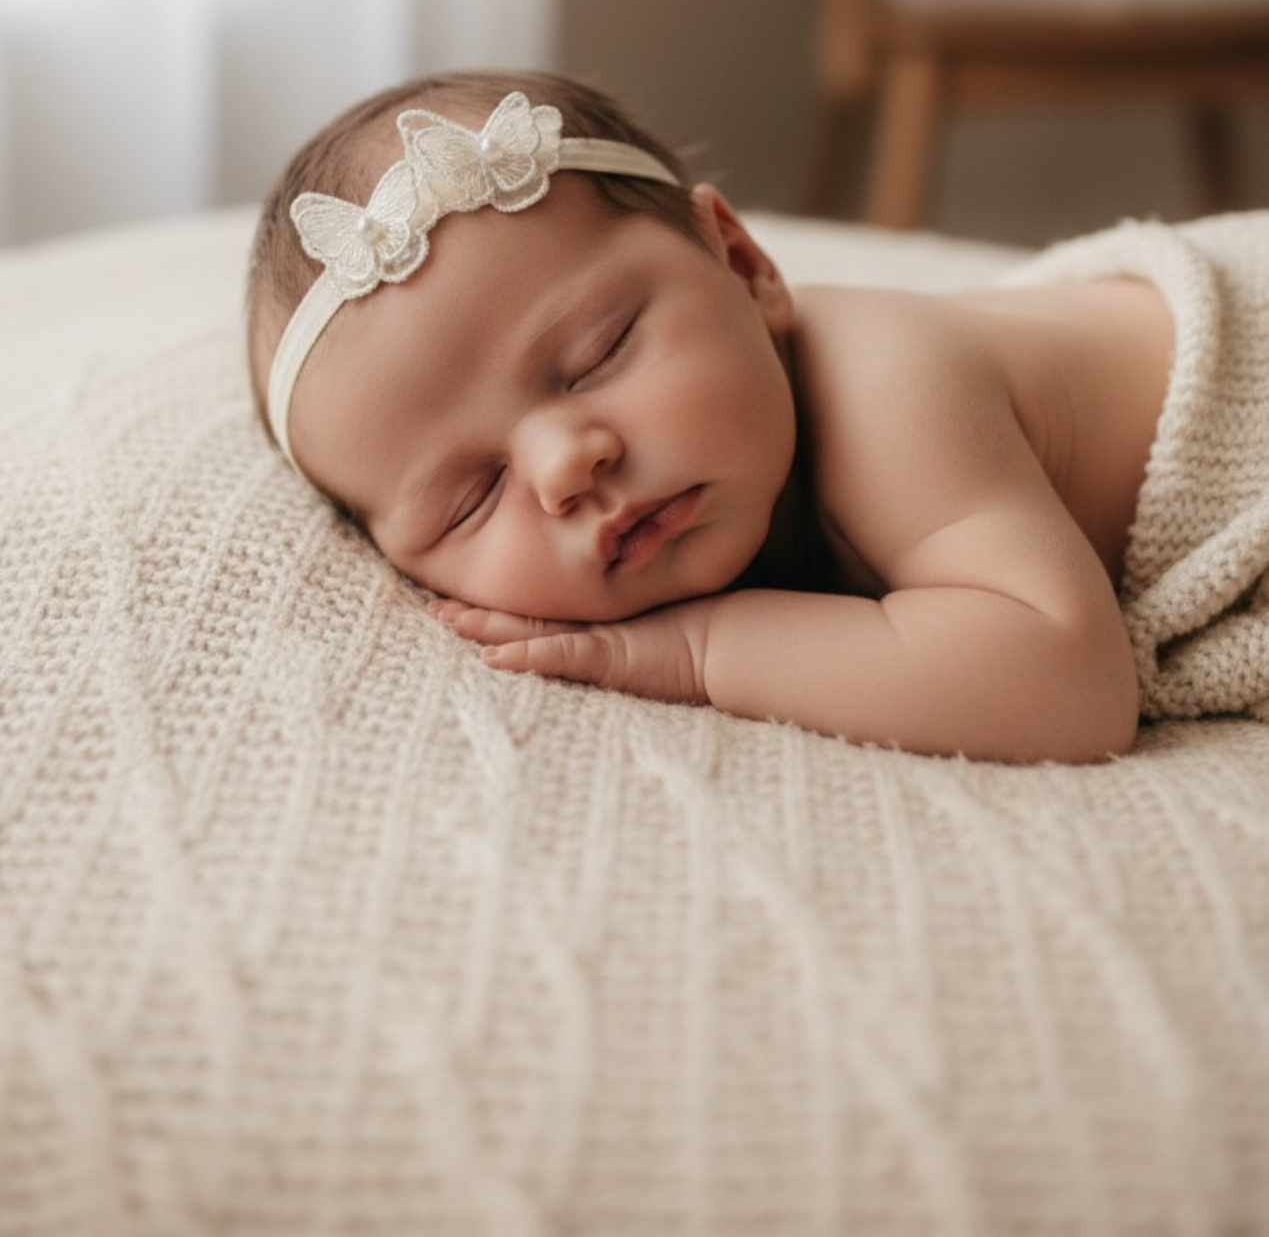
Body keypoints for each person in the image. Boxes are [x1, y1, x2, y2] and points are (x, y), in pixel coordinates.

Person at [247, 69, 1269, 763]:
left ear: (741, 263)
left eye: (599, 353)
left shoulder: (883, 381)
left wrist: (699, 651)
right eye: (471, 499)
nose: (565, 466)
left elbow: (1068, 681)